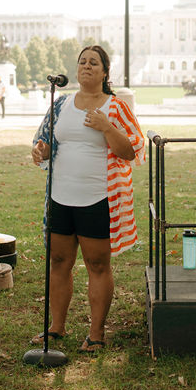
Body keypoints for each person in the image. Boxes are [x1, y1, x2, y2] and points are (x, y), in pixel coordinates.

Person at [30, 45, 145, 352]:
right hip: (60, 197)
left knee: (97, 264)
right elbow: (44, 142)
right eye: (82, 61)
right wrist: (40, 151)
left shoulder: (115, 107)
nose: (87, 66)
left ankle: (96, 333)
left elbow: (131, 150)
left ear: (105, 72)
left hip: (98, 199)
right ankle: (56, 327)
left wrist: (106, 127)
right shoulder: (61, 104)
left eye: (94, 62)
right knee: (58, 262)